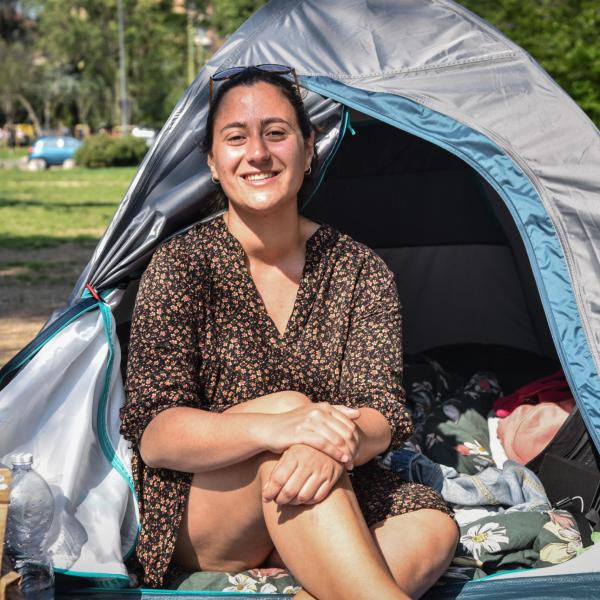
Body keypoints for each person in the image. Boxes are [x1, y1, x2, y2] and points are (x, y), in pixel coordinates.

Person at [120, 66, 459, 600]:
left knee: (433, 526)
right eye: (235, 138)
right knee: (283, 408)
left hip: (327, 476)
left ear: (308, 147)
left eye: (276, 133)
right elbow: (157, 435)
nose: (257, 153)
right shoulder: (180, 266)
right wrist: (284, 428)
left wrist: (327, 446)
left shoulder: (358, 268)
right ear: (212, 162)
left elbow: (384, 412)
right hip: (208, 511)